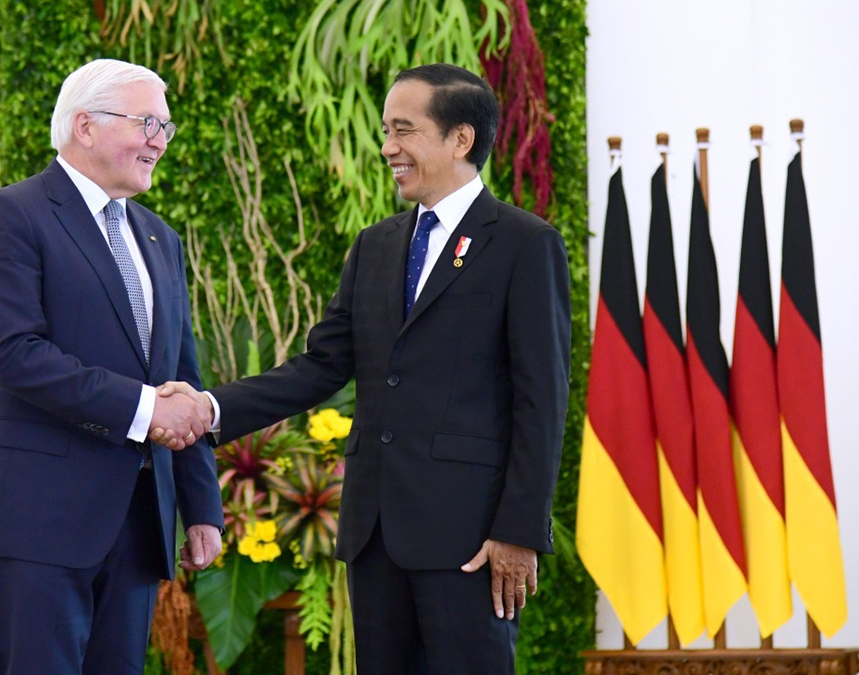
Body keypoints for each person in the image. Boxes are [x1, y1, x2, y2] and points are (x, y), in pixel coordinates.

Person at [155, 63, 571, 673]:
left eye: (404, 130)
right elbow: (322, 366)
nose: (387, 148)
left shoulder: (523, 243)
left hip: (471, 538)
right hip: (375, 536)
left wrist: (520, 529)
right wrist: (210, 408)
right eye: (385, 131)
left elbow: (543, 400)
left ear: (461, 138)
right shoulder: (375, 245)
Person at [0, 59, 223, 675]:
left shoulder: (160, 238)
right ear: (85, 126)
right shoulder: (10, 215)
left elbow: (182, 376)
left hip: (136, 523)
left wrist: (201, 504)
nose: (160, 140)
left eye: (166, 127)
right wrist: (146, 409)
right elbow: (15, 354)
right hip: (35, 520)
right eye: (147, 123)